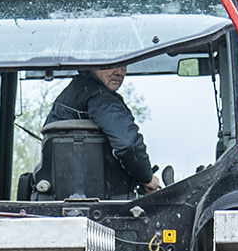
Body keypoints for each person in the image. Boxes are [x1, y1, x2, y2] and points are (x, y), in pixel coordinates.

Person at [46, 65, 162, 198]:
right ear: (92, 64)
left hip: (62, 196)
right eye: (111, 65)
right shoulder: (99, 97)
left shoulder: (73, 93)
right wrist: (146, 177)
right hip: (106, 200)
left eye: (123, 65)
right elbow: (128, 144)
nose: (119, 72)